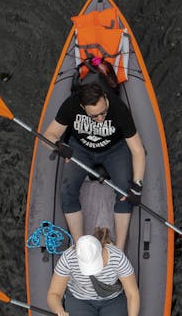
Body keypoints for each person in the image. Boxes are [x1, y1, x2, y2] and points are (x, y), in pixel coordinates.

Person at [42, 83, 146, 250]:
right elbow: (47, 136)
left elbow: (138, 150)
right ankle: (80, 245)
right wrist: (58, 145)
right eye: (94, 116)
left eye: (103, 112)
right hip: (81, 149)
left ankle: (119, 251)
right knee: (67, 192)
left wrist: (137, 186)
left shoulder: (119, 109)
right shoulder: (71, 105)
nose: (100, 119)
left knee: (125, 193)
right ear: (83, 107)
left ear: (105, 98)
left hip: (114, 150)